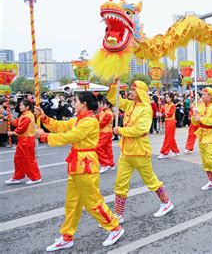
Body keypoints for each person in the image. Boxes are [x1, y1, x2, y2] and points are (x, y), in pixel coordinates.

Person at [35, 92, 124, 250]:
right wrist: (44, 118)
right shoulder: (78, 119)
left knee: (93, 202)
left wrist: (44, 136)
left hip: (86, 165)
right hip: (77, 164)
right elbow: (61, 126)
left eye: (75, 101)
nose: (73, 103)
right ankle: (67, 236)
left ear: (83, 104)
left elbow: (69, 136)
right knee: (72, 204)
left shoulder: (89, 121)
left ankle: (115, 228)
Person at [107, 81, 174, 222]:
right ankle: (118, 215)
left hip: (140, 151)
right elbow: (113, 99)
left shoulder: (145, 109)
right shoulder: (129, 104)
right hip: (125, 151)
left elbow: (140, 129)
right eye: (131, 89)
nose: (130, 92)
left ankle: (166, 203)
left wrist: (120, 131)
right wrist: (114, 84)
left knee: (150, 180)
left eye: (133, 90)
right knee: (120, 183)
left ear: (141, 93)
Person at [192, 87, 212, 192]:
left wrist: (200, 118)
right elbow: (194, 122)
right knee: (205, 159)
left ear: (210, 96)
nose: (201, 97)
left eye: (203, 95)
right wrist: (194, 115)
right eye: (201, 94)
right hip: (202, 135)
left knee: (210, 158)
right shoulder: (200, 106)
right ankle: (211, 181)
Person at [4, 99, 42, 185]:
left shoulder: (28, 116)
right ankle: (17, 177)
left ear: (27, 107)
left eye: (21, 105)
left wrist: (12, 133)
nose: (20, 107)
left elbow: (21, 129)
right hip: (22, 140)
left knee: (29, 159)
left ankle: (36, 177)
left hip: (27, 140)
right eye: (20, 105)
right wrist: (9, 113)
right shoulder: (23, 115)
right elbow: (15, 123)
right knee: (18, 159)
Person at [158, 93, 181, 159]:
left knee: (168, 137)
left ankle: (164, 152)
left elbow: (170, 114)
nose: (166, 98)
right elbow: (161, 111)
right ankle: (176, 151)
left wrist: (162, 114)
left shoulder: (172, 105)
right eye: (166, 97)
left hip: (171, 122)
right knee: (170, 137)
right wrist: (160, 109)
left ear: (171, 98)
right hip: (167, 122)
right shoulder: (165, 105)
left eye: (167, 97)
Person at [96, 95, 115, 174]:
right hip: (105, 133)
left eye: (103, 104)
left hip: (105, 133)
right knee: (107, 149)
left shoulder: (108, 114)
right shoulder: (103, 112)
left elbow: (101, 124)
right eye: (101, 103)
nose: (101, 105)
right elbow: (96, 117)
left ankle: (104, 163)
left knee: (97, 147)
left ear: (108, 105)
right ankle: (111, 164)